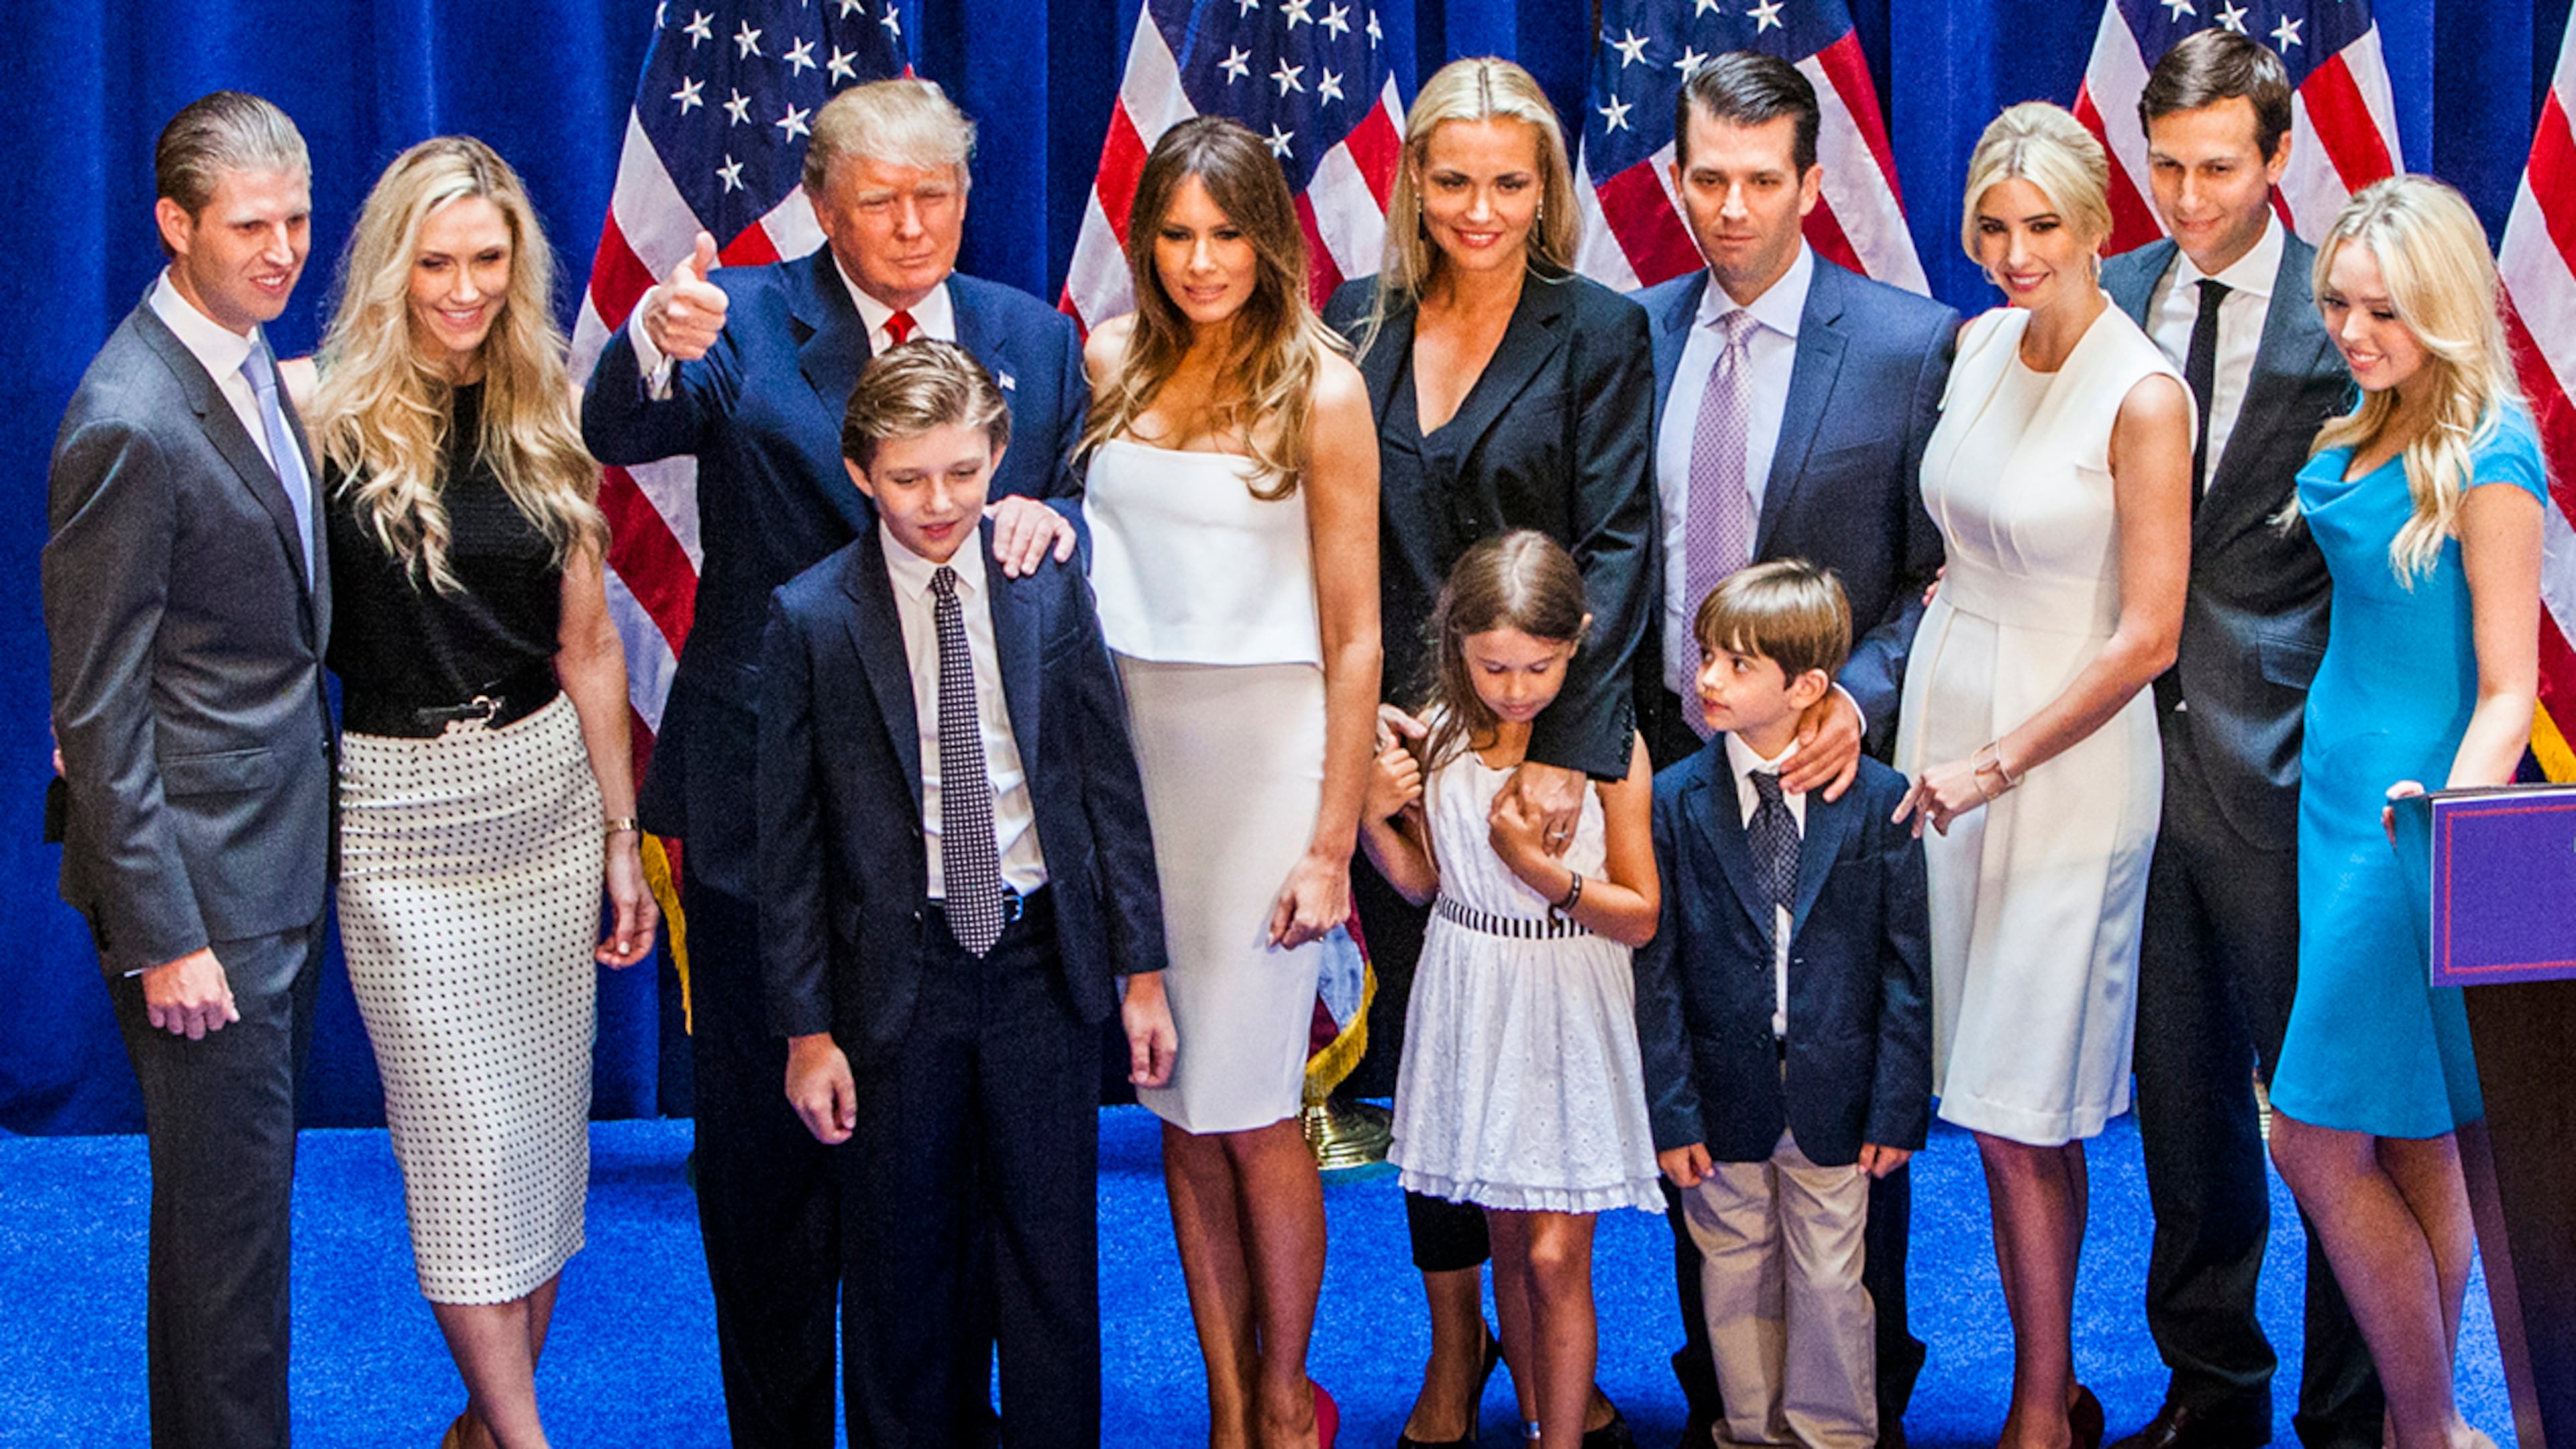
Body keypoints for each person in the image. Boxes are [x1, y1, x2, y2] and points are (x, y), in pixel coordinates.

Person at [579, 77, 1082, 1447]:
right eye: (880, 201)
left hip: (963, 838)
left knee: (955, 1168)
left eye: (937, 197)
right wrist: (650, 342)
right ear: (821, 203)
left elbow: (1073, 503)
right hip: (765, 817)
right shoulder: (738, 317)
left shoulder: (1032, 340)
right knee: (770, 1169)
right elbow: (614, 431)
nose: (913, 225)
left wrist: (1055, 516)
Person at [299, 136, 659, 1449]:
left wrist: (623, 838)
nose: (462, 289)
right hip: (397, 821)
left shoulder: (546, 406)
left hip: (549, 806)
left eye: (487, 262)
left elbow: (591, 646)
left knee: (543, 1161)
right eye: (437, 263)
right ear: (393, 265)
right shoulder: (314, 413)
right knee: (461, 1163)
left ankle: (480, 1429)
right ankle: (525, 1438)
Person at [1320, 56, 1656, 1449]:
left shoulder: (1603, 329)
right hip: (1405, 758)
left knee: (1541, 1069)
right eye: (1451, 179)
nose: (1479, 207)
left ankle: (1552, 1361)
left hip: (1546, 746)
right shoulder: (1353, 322)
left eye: (1509, 181)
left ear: (1547, 191)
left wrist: (1565, 749)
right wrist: (1362, 748)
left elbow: (1624, 541)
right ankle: (1457, 1351)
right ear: (1413, 187)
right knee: (1431, 1055)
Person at [759, 339, 1177, 1449]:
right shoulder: (811, 618)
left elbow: (1106, 783)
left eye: (961, 472)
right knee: (902, 1265)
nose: (938, 502)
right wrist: (808, 1032)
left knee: (1050, 1259)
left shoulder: (1045, 582)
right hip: (901, 983)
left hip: (1044, 964)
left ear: (998, 455)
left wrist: (1143, 971)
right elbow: (790, 852)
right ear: (858, 472)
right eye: (907, 479)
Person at [1629, 54, 1955, 1444]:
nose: (1733, 207)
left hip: (1827, 766)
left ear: (1814, 186)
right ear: (1676, 178)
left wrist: (1855, 703)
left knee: (1829, 1086)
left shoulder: (1904, 343)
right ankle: (1724, 1397)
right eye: (1708, 178)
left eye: (1765, 181)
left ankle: (1852, 1400)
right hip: (1663, 761)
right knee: (1702, 1086)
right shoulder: (1629, 332)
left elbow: (1942, 576)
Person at [1890, 102, 2192, 1449]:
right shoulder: (1974, 348)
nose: (2015, 253)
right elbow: (1959, 533)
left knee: (2025, 1108)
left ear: (2099, 229)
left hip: (2059, 767)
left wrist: (2001, 759)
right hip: (1948, 732)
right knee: (1983, 1099)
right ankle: (2046, 1386)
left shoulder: (2143, 392)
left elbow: (2148, 633)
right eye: (1994, 226)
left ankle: (2037, 1409)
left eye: (2043, 228)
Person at [1076, 115, 1379, 1449]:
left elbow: (1356, 633)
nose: (1202, 262)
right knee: (1178, 1114)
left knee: (1256, 1110)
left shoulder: (1321, 387)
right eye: (1177, 236)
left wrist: (1330, 843)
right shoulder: (1104, 361)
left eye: (1226, 235)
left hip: (1269, 770)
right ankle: (1222, 1395)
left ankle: (1284, 1385)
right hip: (1137, 765)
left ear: (1273, 240)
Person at [2098, 32, 2381, 1449]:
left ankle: (2350, 1412)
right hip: (2131, 773)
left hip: (2296, 773)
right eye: (2163, 164)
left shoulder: (2350, 315)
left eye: (2218, 167)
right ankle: (2210, 1394)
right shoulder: (2105, 296)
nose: (2187, 196)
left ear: (2280, 161)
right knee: (2184, 1118)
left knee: (2328, 1115)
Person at [43, 91, 330, 1449]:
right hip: (201, 907)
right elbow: (96, 709)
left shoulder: (247, 357)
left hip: (263, 863)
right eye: (252, 226)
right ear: (174, 225)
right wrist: (167, 940)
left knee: (241, 1226)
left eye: (297, 220)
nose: (283, 251)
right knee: (224, 1248)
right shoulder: (130, 417)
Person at [2266, 175, 2543, 1449]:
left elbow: (2507, 690)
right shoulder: (2357, 425)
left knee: (2313, 1140)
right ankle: (2417, 1431)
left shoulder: (2492, 449)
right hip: (2333, 807)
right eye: (2339, 303)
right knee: (2420, 1136)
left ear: (2443, 305)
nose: (2356, 332)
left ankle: (2426, 1430)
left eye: (2385, 311)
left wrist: (2446, 830)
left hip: (2419, 826)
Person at [1358, 530, 1662, 1449]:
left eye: (1541, 665)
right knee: (1506, 1249)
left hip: (1569, 996)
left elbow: (1640, 914)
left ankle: (1564, 1436)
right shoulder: (1443, 736)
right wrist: (1376, 818)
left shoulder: (1610, 750)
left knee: (1554, 1251)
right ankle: (1538, 1416)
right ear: (1456, 646)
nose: (1518, 688)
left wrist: (1540, 870)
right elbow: (1424, 885)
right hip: (1470, 992)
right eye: (1495, 666)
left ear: (1579, 644)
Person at [1632, 559, 1932, 1449]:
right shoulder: (1673, 802)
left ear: (1808, 687)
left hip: (1837, 1094)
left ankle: (1833, 1435)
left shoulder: (1879, 800)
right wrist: (1671, 1108)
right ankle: (1747, 1434)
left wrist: (1898, 1104)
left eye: (1735, 664)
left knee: (1834, 1281)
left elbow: (1905, 973)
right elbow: (1659, 975)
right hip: (1721, 1097)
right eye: (1707, 657)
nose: (1707, 679)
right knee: (1731, 1277)